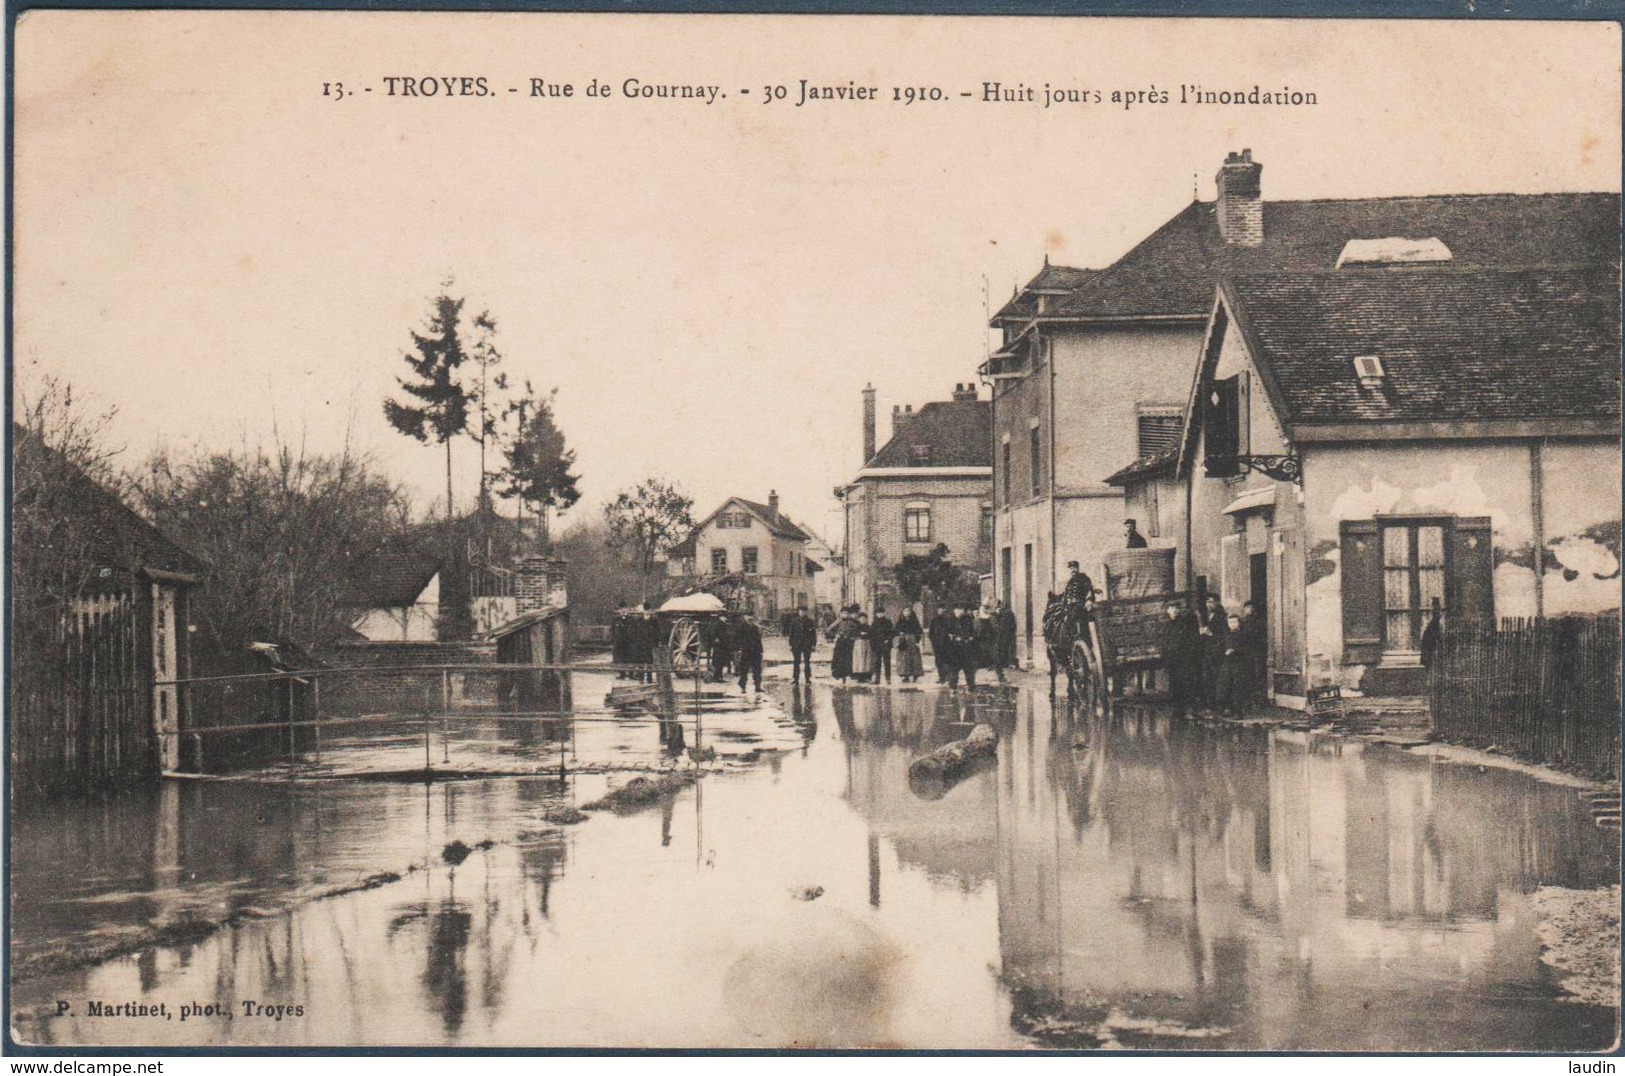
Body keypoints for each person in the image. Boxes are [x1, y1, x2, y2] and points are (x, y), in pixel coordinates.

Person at [1160, 599, 1199, 717]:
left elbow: (1193, 639)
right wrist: (1166, 658)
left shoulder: (1185, 623)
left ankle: (1191, 709)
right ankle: (1178, 709)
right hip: (1172, 659)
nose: (1174, 610)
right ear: (1167, 611)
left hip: (1184, 658)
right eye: (1171, 608)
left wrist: (1190, 654)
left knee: (1187, 682)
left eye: (1176, 608)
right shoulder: (1167, 625)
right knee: (1175, 684)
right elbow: (1165, 642)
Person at [1197, 595, 1229, 711]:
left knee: (1218, 679)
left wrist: (1211, 634)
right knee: (1208, 679)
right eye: (1207, 602)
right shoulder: (1209, 616)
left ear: (1217, 602)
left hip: (1217, 653)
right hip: (1208, 652)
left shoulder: (1222, 617)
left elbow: (1225, 636)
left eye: (1211, 602)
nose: (1209, 604)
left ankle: (1221, 705)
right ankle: (1211, 705)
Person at [1234, 600, 1266, 708]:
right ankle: (1248, 701)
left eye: (1251, 607)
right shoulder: (1242, 622)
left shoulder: (1259, 621)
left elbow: (1261, 637)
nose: (1249, 609)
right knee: (1247, 676)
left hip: (1256, 651)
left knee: (1258, 676)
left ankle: (1259, 701)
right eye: (1247, 607)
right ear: (1244, 609)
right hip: (1246, 652)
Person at [786, 605, 818, 684]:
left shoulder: (810, 621)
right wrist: (790, 644)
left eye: (804, 611)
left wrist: (813, 644)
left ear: (806, 612)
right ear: (798, 612)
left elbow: (813, 634)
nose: (802, 613)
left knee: (807, 662)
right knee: (796, 662)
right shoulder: (794, 621)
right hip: (796, 644)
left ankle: (808, 678)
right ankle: (795, 679)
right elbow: (791, 633)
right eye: (801, 611)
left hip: (807, 644)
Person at [950, 605, 979, 688]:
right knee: (962, 668)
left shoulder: (965, 619)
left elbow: (971, 633)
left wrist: (967, 638)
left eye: (958, 610)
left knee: (964, 668)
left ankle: (966, 685)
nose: (956, 612)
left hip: (964, 648)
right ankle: (957, 685)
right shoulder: (954, 620)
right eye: (956, 611)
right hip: (960, 648)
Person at [894, 606, 925, 683]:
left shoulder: (914, 621)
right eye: (905, 611)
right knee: (904, 659)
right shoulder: (900, 621)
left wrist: (917, 639)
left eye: (908, 611)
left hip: (912, 641)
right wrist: (900, 634)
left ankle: (915, 674)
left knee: (914, 659)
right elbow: (895, 631)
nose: (906, 613)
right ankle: (905, 675)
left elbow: (919, 631)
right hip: (903, 642)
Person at [735, 613, 764, 692]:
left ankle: (757, 686)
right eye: (748, 617)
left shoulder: (755, 628)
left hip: (755, 652)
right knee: (744, 670)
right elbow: (737, 640)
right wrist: (738, 650)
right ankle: (743, 687)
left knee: (757, 670)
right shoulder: (741, 627)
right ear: (745, 618)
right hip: (745, 652)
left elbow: (758, 640)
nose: (750, 619)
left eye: (751, 618)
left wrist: (761, 651)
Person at [928, 606, 956, 684]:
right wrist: (934, 642)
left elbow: (952, 631)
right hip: (937, 645)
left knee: (947, 661)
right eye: (939, 609)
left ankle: (948, 677)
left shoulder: (948, 620)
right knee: (939, 661)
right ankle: (941, 677)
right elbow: (931, 633)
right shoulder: (934, 621)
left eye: (942, 609)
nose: (941, 611)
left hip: (947, 645)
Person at [830, 606, 858, 683]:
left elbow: (856, 631)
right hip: (840, 642)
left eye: (846, 613)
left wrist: (852, 637)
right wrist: (836, 635)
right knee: (839, 658)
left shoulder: (852, 623)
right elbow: (829, 629)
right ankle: (839, 674)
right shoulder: (838, 622)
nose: (845, 615)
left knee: (848, 658)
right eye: (843, 613)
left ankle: (848, 674)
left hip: (848, 643)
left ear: (849, 614)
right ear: (841, 614)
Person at [994, 600, 1018, 682]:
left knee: (1006, 649)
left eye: (999, 606)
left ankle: (1008, 663)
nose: (999, 608)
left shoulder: (1006, 614)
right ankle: (1005, 663)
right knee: (1005, 649)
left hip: (1005, 635)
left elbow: (1004, 625)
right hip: (1005, 635)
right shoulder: (1005, 613)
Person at [870, 608, 896, 684]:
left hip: (886, 644)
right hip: (877, 644)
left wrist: (888, 639)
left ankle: (888, 678)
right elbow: (872, 634)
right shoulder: (874, 623)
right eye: (878, 613)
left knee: (887, 661)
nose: (880, 614)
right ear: (876, 614)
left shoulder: (888, 622)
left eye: (881, 613)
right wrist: (873, 644)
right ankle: (877, 679)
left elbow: (892, 632)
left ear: (884, 613)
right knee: (877, 662)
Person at [851, 612, 875, 684]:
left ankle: (867, 675)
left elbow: (872, 634)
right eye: (861, 619)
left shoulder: (869, 627)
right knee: (860, 659)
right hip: (859, 643)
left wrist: (867, 635)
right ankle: (860, 676)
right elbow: (853, 634)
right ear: (859, 619)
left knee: (867, 659)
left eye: (864, 618)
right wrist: (859, 634)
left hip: (868, 643)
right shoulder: (857, 627)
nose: (863, 620)